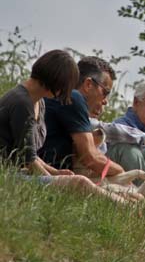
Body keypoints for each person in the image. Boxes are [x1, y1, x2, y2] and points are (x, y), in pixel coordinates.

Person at [0, 50, 128, 202]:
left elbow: (31, 154)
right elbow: (29, 161)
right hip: (9, 175)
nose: (69, 90)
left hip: (20, 172)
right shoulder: (22, 103)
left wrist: (55, 173)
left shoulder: (39, 102)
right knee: (79, 182)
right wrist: (57, 181)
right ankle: (128, 208)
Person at [40, 56, 125, 177]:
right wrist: (122, 173)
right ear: (88, 84)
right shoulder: (73, 97)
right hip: (51, 176)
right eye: (105, 92)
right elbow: (91, 158)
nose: (105, 101)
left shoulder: (61, 95)